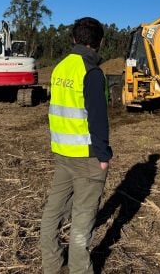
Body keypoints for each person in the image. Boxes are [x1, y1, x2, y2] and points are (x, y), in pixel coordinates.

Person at [40, 17, 112, 274]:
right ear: (99, 41)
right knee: (82, 219)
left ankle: (52, 265)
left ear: (73, 39)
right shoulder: (91, 72)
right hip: (87, 157)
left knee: (53, 212)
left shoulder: (60, 68)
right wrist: (103, 155)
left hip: (61, 153)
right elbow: (98, 118)